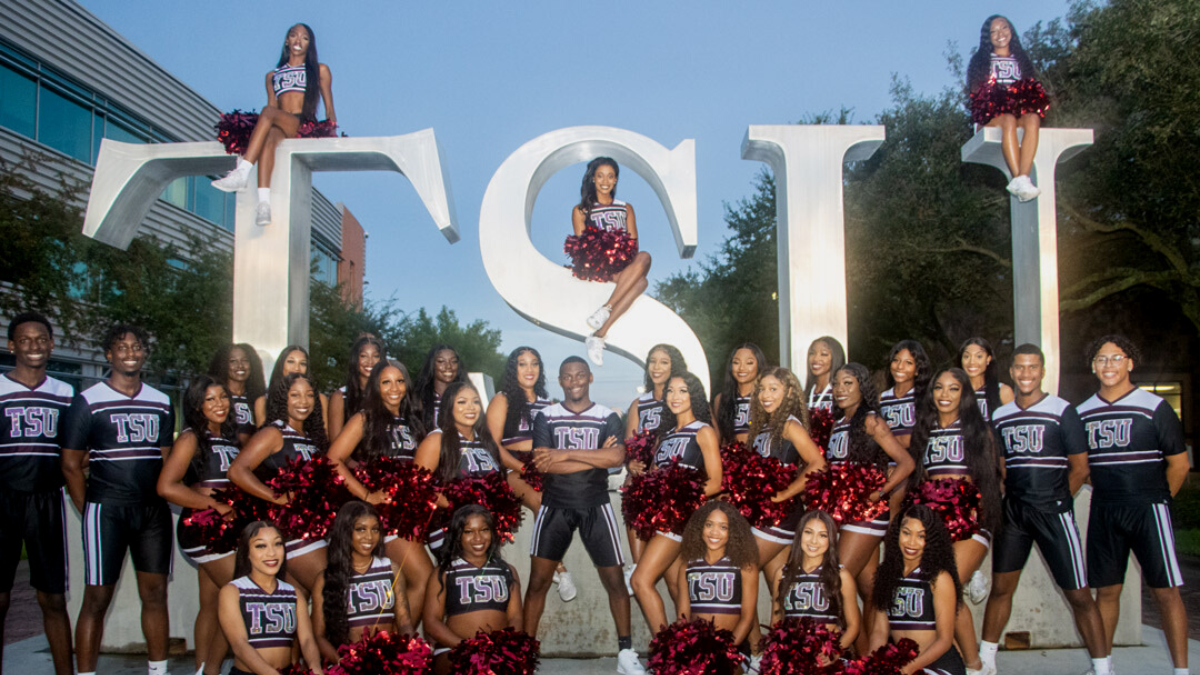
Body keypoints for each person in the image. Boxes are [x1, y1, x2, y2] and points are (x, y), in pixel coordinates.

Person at [980, 344, 1110, 675]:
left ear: (1042, 371)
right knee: (1000, 589)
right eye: (1020, 368)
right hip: (1015, 514)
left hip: (1052, 510)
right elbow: (1002, 465)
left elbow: (1080, 468)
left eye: (1033, 367)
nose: (1026, 374)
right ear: (1011, 372)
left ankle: (1103, 667)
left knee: (1079, 595)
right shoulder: (1001, 415)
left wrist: (1057, 502)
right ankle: (985, 662)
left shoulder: (1062, 410)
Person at [61, 324, 176, 675]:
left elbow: (166, 462)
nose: (130, 352)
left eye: (137, 346)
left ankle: (158, 671)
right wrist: (90, 511)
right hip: (105, 509)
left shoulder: (161, 401)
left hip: (152, 514)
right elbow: (69, 465)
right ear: (108, 354)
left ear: (145, 353)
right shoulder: (88, 401)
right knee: (97, 598)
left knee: (155, 594)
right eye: (121, 347)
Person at [1076, 335, 1189, 675]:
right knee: (1106, 592)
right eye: (1101, 359)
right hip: (1106, 509)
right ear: (1093, 366)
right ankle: (1102, 667)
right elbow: (1081, 469)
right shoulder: (1081, 413)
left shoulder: (1154, 407)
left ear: (1130, 362)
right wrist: (1112, 484)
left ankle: (1182, 670)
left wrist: (1157, 500)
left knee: (1165, 591)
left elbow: (1179, 464)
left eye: (1116, 357)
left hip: (1149, 508)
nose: (1108, 365)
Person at [525, 356, 644, 675]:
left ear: (590, 377)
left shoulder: (608, 415)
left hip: (596, 504)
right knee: (537, 582)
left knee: (616, 581)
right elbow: (542, 464)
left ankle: (625, 653)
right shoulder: (547, 415)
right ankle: (523, 655)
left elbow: (617, 458)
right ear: (560, 381)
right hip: (554, 505)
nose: (574, 380)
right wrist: (597, 458)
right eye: (567, 376)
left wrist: (564, 453)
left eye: (580, 374)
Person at [908, 367, 1003, 674]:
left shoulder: (978, 430)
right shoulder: (924, 430)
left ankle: (976, 666)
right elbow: (920, 479)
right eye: (939, 388)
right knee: (944, 593)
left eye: (953, 389)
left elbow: (990, 480)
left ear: (965, 394)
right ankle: (966, 662)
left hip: (972, 521)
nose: (944, 395)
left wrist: (976, 512)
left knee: (946, 583)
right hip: (934, 522)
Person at [326, 359, 427, 626]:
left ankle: (392, 648)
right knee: (424, 576)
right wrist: (367, 496)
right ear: (375, 387)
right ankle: (404, 648)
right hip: (384, 515)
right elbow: (333, 459)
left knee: (401, 581)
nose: (394, 388)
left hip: (409, 513)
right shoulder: (365, 418)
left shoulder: (413, 421)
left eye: (400, 381)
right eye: (386, 382)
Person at [0, 312, 74, 675]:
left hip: (46, 499)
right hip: (2, 499)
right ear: (11, 345)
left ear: (51, 344)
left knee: (54, 598)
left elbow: (76, 453)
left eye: (40, 338)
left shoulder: (65, 393)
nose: (33, 346)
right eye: (24, 339)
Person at [157, 375, 244, 675]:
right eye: (210, 399)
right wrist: (215, 505)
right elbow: (166, 486)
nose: (219, 404)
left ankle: (202, 669)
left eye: (223, 397)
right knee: (244, 595)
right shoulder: (191, 437)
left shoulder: (229, 437)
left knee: (213, 603)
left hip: (227, 530)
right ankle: (212, 670)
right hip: (204, 528)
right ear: (196, 404)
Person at [212, 23, 337, 226]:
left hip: (302, 124)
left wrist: (331, 131)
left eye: (304, 38)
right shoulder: (272, 75)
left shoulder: (319, 70)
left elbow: (330, 106)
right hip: (280, 123)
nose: (298, 40)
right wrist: (267, 124)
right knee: (269, 139)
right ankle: (263, 205)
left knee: (268, 113)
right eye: (293, 36)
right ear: (287, 41)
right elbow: (272, 109)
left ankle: (243, 172)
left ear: (310, 44)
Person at [826, 363, 914, 650]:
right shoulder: (838, 423)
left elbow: (906, 463)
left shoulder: (871, 420)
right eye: (836, 384)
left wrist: (880, 492)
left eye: (848, 383)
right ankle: (871, 657)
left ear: (862, 387)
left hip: (867, 514)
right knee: (868, 591)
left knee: (834, 583)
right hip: (845, 512)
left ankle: (859, 655)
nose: (841, 389)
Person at [629, 371, 723, 640]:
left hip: (683, 519)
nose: (675, 397)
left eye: (683, 391)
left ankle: (665, 649)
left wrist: (681, 500)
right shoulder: (665, 436)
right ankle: (689, 650)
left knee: (640, 580)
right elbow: (656, 478)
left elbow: (716, 481)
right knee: (676, 587)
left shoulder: (703, 431)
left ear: (694, 395)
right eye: (670, 391)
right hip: (662, 519)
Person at [485, 347, 577, 602]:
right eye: (522, 364)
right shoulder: (502, 399)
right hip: (513, 466)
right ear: (513, 369)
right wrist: (523, 467)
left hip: (545, 464)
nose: (529, 370)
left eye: (534, 364)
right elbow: (493, 446)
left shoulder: (549, 404)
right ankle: (560, 569)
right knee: (540, 501)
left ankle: (552, 564)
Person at [229, 373, 329, 593]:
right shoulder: (273, 432)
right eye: (295, 395)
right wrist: (276, 497)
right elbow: (236, 471)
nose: (303, 401)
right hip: (292, 532)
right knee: (331, 590)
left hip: (312, 527)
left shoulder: (310, 435)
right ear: (283, 398)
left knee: (298, 604)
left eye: (309, 395)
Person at [746, 367, 825, 586]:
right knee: (779, 587)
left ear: (789, 392)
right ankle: (783, 622)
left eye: (773, 389)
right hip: (764, 513)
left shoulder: (789, 425)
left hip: (781, 515)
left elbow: (818, 463)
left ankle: (745, 622)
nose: (765, 395)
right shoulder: (764, 426)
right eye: (762, 389)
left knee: (743, 569)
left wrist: (785, 494)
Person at [423, 505, 525, 675]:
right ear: (458, 536)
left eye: (484, 530)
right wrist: (467, 647)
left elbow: (515, 617)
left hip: (497, 652)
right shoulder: (445, 572)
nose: (478, 538)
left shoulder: (507, 570)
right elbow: (432, 623)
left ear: (492, 533)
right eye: (469, 531)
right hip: (454, 649)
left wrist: (505, 648)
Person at [869, 505, 966, 675]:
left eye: (921, 536)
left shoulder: (939, 578)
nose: (911, 542)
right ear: (897, 533)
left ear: (931, 541)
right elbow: (880, 631)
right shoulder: (887, 574)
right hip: (904, 665)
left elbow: (945, 640)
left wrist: (910, 669)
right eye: (906, 533)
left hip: (938, 665)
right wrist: (871, 666)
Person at [311, 501, 412, 664]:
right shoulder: (325, 579)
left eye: (375, 529)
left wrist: (408, 654)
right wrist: (343, 663)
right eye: (361, 529)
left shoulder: (391, 569)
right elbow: (318, 636)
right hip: (348, 664)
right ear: (345, 531)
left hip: (388, 664)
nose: (369, 537)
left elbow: (404, 622)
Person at [218, 521, 324, 675]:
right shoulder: (233, 591)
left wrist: (315, 668)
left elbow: (307, 640)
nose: (272, 553)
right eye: (261, 546)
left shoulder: (293, 593)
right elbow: (240, 646)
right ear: (246, 552)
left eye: (278, 544)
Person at [575, 158, 653, 366]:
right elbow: (583, 248)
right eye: (600, 175)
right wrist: (605, 253)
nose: (605, 181)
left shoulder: (626, 208)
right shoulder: (581, 210)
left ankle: (601, 326)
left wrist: (619, 253)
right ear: (593, 178)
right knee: (640, 282)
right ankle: (601, 328)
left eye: (610, 176)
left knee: (644, 261)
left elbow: (634, 245)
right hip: (598, 267)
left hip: (622, 264)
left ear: (616, 180)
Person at [414, 380, 508, 551]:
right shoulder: (437, 439)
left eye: (475, 401)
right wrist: (450, 504)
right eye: (462, 402)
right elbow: (415, 485)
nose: (471, 407)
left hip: (484, 531)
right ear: (449, 406)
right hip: (451, 530)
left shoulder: (486, 440)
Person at [622, 343, 687, 583]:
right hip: (646, 481)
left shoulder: (684, 398)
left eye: (664, 362)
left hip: (674, 480)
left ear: (674, 366)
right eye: (652, 361)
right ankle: (636, 566)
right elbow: (630, 446)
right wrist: (632, 464)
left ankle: (640, 573)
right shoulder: (639, 404)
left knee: (674, 580)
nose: (656, 367)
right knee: (632, 484)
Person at [966, 15, 1049, 202]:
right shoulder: (981, 60)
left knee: (1033, 118)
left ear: (1011, 30)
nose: (1000, 34)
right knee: (1008, 119)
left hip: (1015, 112)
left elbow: (1031, 89)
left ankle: (1022, 178)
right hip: (991, 118)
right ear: (988, 37)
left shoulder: (1021, 59)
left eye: (1003, 28)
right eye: (993, 31)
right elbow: (977, 95)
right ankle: (1018, 178)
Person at [676, 502, 758, 657]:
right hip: (697, 648)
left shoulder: (745, 567)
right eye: (709, 524)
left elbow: (747, 619)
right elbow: (683, 616)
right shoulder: (687, 567)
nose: (714, 532)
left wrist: (725, 653)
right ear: (699, 527)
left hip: (733, 649)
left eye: (723, 527)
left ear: (733, 532)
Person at [772, 510, 860, 652]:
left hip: (825, 658)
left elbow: (853, 626)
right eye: (808, 532)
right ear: (799, 535)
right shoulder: (782, 574)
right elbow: (776, 622)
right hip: (790, 656)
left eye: (822, 535)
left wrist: (834, 653)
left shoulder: (841, 576)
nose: (814, 541)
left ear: (831, 540)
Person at [252, 345, 328, 431]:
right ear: (281, 365)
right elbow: (261, 437)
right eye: (291, 362)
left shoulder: (320, 399)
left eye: (302, 363)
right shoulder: (263, 401)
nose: (297, 368)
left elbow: (324, 436)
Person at [328, 335, 385, 440]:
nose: (370, 362)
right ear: (355, 359)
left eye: (375, 356)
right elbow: (334, 445)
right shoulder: (340, 397)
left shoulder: (388, 395)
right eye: (364, 356)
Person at [879, 340, 933, 450]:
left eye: (908, 362)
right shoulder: (881, 399)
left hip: (917, 461)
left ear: (917, 369)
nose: (900, 367)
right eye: (896, 360)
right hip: (887, 464)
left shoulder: (926, 397)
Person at [712, 343, 765, 446]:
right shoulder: (721, 399)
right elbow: (721, 439)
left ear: (759, 365)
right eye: (736, 362)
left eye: (749, 363)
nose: (741, 368)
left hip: (762, 458)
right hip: (731, 459)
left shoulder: (766, 397)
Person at [209, 343, 266, 434]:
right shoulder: (216, 398)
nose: (240, 365)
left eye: (245, 360)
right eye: (233, 361)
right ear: (223, 364)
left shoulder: (259, 398)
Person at [958, 337, 1013, 422]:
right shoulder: (953, 391)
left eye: (979, 356)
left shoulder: (1002, 391)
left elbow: (1010, 427)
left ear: (988, 359)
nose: (972, 362)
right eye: (966, 356)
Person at [414, 344, 467, 431]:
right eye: (441, 361)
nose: (448, 366)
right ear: (432, 364)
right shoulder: (419, 398)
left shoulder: (467, 397)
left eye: (453, 361)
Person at [805, 336, 845, 414]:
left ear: (835, 358)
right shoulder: (804, 395)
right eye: (812, 353)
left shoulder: (840, 394)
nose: (816, 359)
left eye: (823, 354)